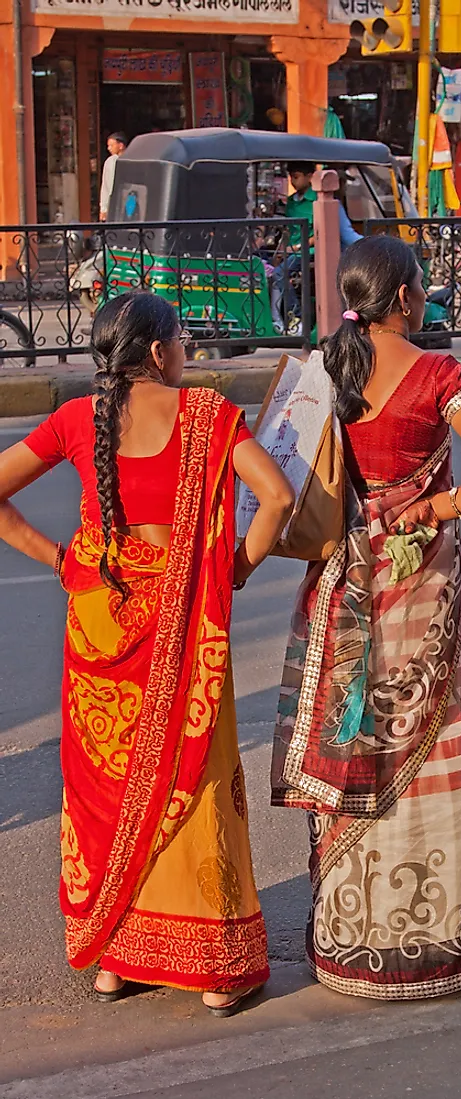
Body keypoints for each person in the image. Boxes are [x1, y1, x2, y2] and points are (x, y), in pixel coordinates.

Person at [0, 292, 294, 1016]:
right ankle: (216, 970)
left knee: (109, 788)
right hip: (182, 616)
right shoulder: (206, 417)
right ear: (160, 352)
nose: (187, 349)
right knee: (191, 778)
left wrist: (59, 557)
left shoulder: (77, 420)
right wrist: (233, 570)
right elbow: (278, 499)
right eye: (182, 339)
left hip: (98, 619)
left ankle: (117, 959)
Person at [270, 235, 461, 1000]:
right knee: (429, 740)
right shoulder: (439, 375)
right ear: (408, 299)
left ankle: (346, 941)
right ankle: (427, 949)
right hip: (417, 593)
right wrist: (435, 504)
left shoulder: (325, 371)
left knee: (352, 741)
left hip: (340, 589)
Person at [271, 163, 361, 332]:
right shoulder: (291, 203)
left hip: (311, 252)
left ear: (310, 177)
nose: (292, 181)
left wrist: (297, 247)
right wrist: (281, 250)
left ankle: (296, 318)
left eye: (296, 177)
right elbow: (290, 231)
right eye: (291, 177)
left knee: (279, 274)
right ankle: (278, 320)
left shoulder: (317, 200)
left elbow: (321, 232)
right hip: (295, 252)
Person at [99, 132, 127, 222]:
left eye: (111, 145)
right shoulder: (110, 162)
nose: (109, 148)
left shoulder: (131, 159)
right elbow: (106, 186)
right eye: (108, 145)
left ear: (121, 145)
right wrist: (103, 208)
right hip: (113, 203)